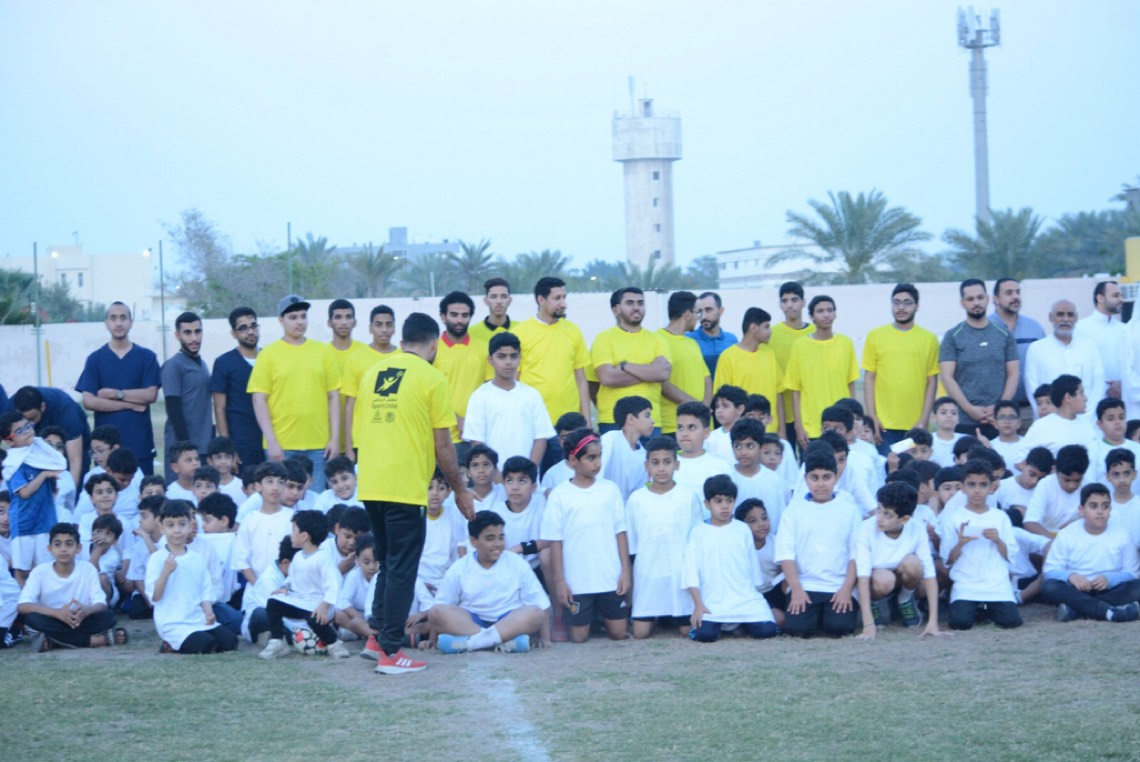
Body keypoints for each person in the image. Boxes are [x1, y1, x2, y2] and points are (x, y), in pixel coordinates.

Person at [348, 312, 474, 675]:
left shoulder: (373, 373)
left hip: (371, 483)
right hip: (404, 487)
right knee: (403, 568)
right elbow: (443, 444)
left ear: (402, 341)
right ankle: (391, 651)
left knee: (390, 563)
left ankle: (376, 640)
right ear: (434, 344)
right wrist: (460, 488)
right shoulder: (432, 378)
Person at [539, 428, 631, 643]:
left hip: (609, 579)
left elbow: (620, 533)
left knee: (618, 633)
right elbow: (556, 542)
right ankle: (587, 617)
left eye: (599, 456)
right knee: (579, 637)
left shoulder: (610, 490)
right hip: (577, 582)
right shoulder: (560, 495)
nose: (598, 463)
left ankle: (601, 615)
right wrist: (560, 581)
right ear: (573, 460)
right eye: (591, 458)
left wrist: (625, 572)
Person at [248, 294, 340, 490]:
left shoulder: (323, 352)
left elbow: (333, 396)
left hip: (318, 445)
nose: (300, 322)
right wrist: (271, 441)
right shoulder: (268, 355)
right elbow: (258, 399)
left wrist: (334, 438)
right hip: (282, 446)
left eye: (303, 316)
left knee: (314, 502)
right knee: (281, 500)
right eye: (293, 317)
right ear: (281, 320)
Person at [775, 442, 862, 637]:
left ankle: (828, 615)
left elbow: (855, 554)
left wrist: (847, 589)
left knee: (839, 628)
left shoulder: (850, 510)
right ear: (806, 479)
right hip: (806, 585)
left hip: (838, 585)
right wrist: (796, 589)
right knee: (798, 629)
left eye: (826, 477)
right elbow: (786, 554)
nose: (821, 484)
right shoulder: (793, 511)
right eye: (814, 478)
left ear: (835, 477)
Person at [682, 475, 779, 643]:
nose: (725, 506)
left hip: (745, 599)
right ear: (707, 504)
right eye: (718, 501)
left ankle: (742, 623)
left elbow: (753, 570)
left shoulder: (742, 530)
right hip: (712, 600)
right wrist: (698, 605)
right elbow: (690, 571)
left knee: (767, 630)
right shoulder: (698, 532)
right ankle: (725, 625)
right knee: (705, 635)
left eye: (729, 501)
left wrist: (756, 598)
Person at [626, 436, 703, 639]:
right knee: (640, 633)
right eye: (655, 462)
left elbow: (696, 540)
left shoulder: (688, 496)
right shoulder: (636, 499)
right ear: (647, 466)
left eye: (667, 462)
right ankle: (655, 615)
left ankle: (673, 615)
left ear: (676, 465)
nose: (661, 468)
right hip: (648, 576)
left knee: (687, 631)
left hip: (679, 575)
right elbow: (632, 545)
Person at [76, 302, 161, 474]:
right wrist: (130, 404)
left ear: (131, 322)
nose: (119, 323)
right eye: (113, 318)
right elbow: (89, 401)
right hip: (105, 448)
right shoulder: (95, 359)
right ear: (106, 323)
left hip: (139, 443)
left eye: (123, 317)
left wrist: (115, 393)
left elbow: (150, 395)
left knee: (143, 489)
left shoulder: (146, 357)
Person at [937, 459, 1021, 630]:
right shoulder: (954, 518)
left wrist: (998, 540)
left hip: (996, 582)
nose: (977, 491)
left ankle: (985, 609)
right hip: (966, 582)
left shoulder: (1000, 517)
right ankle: (978, 608)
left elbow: (1010, 555)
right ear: (963, 487)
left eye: (983, 485)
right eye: (971, 485)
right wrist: (960, 543)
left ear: (991, 487)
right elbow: (947, 560)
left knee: (1011, 621)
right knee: (959, 623)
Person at [146, 500, 239, 654]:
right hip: (173, 622)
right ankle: (170, 643)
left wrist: (208, 612)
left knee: (230, 641)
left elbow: (205, 589)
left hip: (196, 618)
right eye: (171, 525)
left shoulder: (196, 558)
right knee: (205, 644)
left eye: (182, 524)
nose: (177, 530)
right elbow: (154, 596)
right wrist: (165, 572)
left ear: (190, 525)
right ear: (162, 528)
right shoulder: (157, 559)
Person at [17, 522, 126, 651]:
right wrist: (57, 613)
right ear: (50, 549)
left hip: (80, 619)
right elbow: (22, 606)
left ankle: (55, 642)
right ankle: (93, 641)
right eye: (58, 544)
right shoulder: (40, 571)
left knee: (108, 616)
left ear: (78, 548)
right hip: (52, 618)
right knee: (32, 619)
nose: (63, 549)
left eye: (69, 544)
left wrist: (87, 610)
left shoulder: (88, 569)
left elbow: (101, 603)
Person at [258, 510, 351, 659]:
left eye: (294, 530)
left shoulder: (323, 558)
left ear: (304, 536)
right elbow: (291, 579)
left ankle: (334, 644)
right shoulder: (297, 556)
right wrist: (284, 588)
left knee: (315, 618)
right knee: (273, 602)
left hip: (318, 604)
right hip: (300, 601)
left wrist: (324, 605)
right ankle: (277, 641)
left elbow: (334, 584)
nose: (291, 535)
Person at [1040, 483, 1140, 622]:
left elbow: (1132, 573)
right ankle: (1108, 612)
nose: (1100, 511)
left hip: (1110, 589)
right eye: (1093, 506)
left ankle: (1076, 610)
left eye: (1105, 506)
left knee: (1137, 587)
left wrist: (1110, 579)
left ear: (1110, 509)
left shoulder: (1123, 534)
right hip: (1076, 589)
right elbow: (1050, 571)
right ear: (1081, 510)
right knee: (1049, 587)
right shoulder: (1067, 534)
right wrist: (1071, 576)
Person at [854, 482, 942, 639]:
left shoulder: (917, 528)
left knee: (914, 563)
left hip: (902, 577)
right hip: (877, 580)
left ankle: (905, 600)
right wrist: (868, 625)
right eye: (879, 509)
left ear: (904, 519)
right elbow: (862, 575)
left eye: (887, 514)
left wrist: (933, 622)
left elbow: (929, 574)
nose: (879, 518)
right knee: (884, 579)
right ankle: (873, 606)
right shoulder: (865, 529)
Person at [939, 279, 1019, 440]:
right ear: (962, 303)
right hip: (964, 421)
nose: (976, 302)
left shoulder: (1003, 333)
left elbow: (1014, 373)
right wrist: (969, 409)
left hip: (999, 422)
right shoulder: (953, 336)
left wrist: (999, 408)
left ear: (987, 299)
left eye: (980, 297)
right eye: (970, 299)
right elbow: (947, 377)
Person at [861, 284, 940, 447]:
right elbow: (869, 378)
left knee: (915, 464)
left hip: (915, 426)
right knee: (888, 463)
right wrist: (872, 416)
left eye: (907, 302)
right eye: (896, 302)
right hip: (884, 426)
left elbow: (932, 382)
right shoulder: (875, 336)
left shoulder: (929, 339)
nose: (901, 307)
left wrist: (924, 419)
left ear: (917, 306)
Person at [463, 332, 555, 467]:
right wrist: (496, 475)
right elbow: (477, 442)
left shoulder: (531, 395)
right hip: (492, 477)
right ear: (490, 360)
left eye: (513, 356)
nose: (508, 362)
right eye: (501, 356)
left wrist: (528, 473)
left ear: (520, 359)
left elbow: (541, 438)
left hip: (527, 477)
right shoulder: (479, 397)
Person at [590, 287, 671, 435]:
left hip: (651, 421)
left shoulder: (657, 340)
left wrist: (624, 366)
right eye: (629, 303)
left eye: (640, 303)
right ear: (616, 309)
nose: (636, 307)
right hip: (613, 421)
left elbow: (663, 373)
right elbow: (607, 377)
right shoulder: (603, 339)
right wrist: (649, 372)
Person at [784, 295, 859, 450]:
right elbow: (795, 390)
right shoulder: (800, 345)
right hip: (811, 427)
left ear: (835, 314)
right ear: (811, 316)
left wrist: (852, 421)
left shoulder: (845, 343)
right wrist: (799, 426)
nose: (826, 315)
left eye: (830, 310)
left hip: (841, 426)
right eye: (820, 311)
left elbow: (850, 384)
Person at [2, 410, 67, 586]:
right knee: (23, 570)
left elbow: (59, 465)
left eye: (28, 426)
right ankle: (25, 600)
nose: (27, 431)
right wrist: (44, 474)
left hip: (46, 521)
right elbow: (24, 493)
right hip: (24, 524)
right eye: (20, 430)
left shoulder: (40, 452)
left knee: (46, 568)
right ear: (10, 441)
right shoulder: (14, 463)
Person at [1024, 300, 1105, 421]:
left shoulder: (1090, 347)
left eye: (1070, 315)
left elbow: (1098, 386)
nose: (1066, 319)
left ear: (1076, 318)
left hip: (1087, 420)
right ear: (1050, 317)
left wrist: (1086, 417)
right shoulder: (1036, 349)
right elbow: (1032, 388)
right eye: (1060, 314)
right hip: (1050, 422)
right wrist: (1053, 417)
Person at [433, 291, 487, 461]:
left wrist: (472, 423)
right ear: (443, 317)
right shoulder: (432, 349)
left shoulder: (484, 349)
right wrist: (458, 420)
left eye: (465, 315)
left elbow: (490, 390)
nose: (459, 320)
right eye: (454, 315)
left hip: (477, 436)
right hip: (442, 437)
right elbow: (429, 395)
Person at [713, 307, 784, 434]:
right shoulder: (728, 357)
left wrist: (782, 430)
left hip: (769, 431)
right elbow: (723, 400)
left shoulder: (769, 354)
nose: (771, 331)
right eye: (766, 327)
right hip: (742, 433)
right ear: (753, 328)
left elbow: (778, 393)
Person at [161, 311, 213, 482]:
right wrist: (187, 449)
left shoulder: (202, 364)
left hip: (203, 445)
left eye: (197, 331)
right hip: (182, 449)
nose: (194, 338)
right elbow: (173, 408)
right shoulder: (173, 365)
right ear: (178, 335)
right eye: (187, 333)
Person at [231, 462, 294, 602]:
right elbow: (242, 562)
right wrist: (262, 586)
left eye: (280, 482)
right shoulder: (249, 520)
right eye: (270, 482)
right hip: (255, 590)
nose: (275, 487)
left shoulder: (292, 519)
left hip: (287, 589)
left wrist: (284, 587)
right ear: (258, 486)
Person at [342, 305, 401, 457]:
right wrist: (348, 446)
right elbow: (350, 405)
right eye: (378, 325)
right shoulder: (355, 359)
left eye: (388, 325)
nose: (384, 330)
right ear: (370, 328)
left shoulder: (403, 358)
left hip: (396, 439)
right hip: (364, 440)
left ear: (394, 328)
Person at [210, 306, 264, 469]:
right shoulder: (224, 363)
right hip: (241, 442)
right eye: (243, 328)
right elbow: (219, 408)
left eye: (253, 326)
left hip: (269, 439)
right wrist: (228, 449)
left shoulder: (269, 358)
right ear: (234, 333)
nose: (250, 332)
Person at [990, 277, 1046, 430]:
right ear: (995, 299)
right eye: (1009, 293)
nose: (1015, 297)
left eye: (1017, 292)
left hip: (1029, 410)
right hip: (995, 413)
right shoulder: (985, 328)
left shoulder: (1034, 328)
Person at [12, 385, 91, 487]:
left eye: (32, 419)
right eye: (24, 420)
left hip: (69, 449)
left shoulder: (67, 412)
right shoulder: (12, 404)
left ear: (42, 407)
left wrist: (71, 491)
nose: (28, 425)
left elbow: (75, 461)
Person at [659, 291, 712, 437]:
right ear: (688, 314)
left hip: (701, 424)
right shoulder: (658, 340)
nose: (699, 318)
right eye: (698, 312)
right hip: (674, 426)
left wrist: (704, 408)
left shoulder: (692, 343)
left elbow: (707, 378)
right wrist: (695, 406)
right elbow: (662, 384)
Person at [326, 299, 373, 455]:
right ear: (329, 322)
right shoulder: (322, 354)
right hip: (327, 439)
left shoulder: (366, 352)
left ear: (355, 322)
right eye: (338, 317)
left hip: (359, 439)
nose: (344, 322)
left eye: (348, 317)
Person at [770, 282, 814, 447]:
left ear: (803, 302)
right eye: (785, 301)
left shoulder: (814, 333)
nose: (789, 305)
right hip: (781, 412)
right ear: (780, 305)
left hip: (809, 412)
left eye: (794, 300)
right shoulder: (771, 334)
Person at [727, 418, 787, 532]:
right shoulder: (727, 479)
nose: (743, 452)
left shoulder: (774, 481)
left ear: (761, 447)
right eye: (738, 446)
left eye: (749, 446)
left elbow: (781, 519)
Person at [736, 499, 785, 627]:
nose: (761, 524)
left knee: (781, 619)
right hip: (749, 593)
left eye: (764, 518)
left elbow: (783, 571)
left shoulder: (776, 542)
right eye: (753, 521)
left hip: (772, 591)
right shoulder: (739, 546)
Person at [1023, 444, 1090, 540]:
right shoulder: (1046, 484)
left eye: (1077, 480)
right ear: (1056, 471)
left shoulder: (1088, 486)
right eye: (1067, 480)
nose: (1072, 485)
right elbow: (1030, 523)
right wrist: (1056, 543)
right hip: (1047, 538)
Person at [1074, 280, 1126, 402]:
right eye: (1116, 295)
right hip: (1092, 398)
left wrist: (1122, 384)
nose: (1121, 300)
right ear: (1100, 298)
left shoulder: (1125, 329)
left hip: (1123, 396)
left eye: (1121, 296)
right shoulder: (1081, 328)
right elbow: (1078, 365)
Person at [1021, 375, 1097, 457]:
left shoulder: (1086, 423)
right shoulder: (1040, 426)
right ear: (1068, 398)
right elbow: (1021, 459)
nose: (1086, 398)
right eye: (1081, 393)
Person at [673, 402, 731, 500]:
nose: (684, 433)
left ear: (706, 433)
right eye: (680, 428)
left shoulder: (720, 467)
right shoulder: (665, 466)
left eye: (691, 427)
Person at [599, 395, 654, 500]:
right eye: (647, 416)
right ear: (631, 419)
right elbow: (596, 475)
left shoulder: (644, 455)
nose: (652, 421)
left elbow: (639, 494)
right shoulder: (610, 439)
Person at [333, 532, 379, 642]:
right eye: (366, 562)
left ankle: (365, 634)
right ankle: (367, 634)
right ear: (357, 559)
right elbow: (344, 601)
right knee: (339, 615)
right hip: (358, 616)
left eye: (376, 562)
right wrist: (358, 616)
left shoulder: (383, 577)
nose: (372, 567)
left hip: (378, 619)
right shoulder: (354, 576)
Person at [686, 291, 738, 377]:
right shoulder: (688, 340)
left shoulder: (732, 340)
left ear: (721, 311)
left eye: (708, 310)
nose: (703, 316)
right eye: (700, 311)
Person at [1091, 398, 1140, 482]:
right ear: (1100, 424)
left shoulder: (1137, 448)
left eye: (1121, 417)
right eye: (1110, 419)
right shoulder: (1093, 451)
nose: (1118, 422)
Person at [468, 277, 514, 349]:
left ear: (510, 300)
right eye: (493, 297)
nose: (499, 301)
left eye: (504, 296)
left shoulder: (521, 329)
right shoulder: (471, 334)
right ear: (486, 300)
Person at [206, 436, 245, 504]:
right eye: (218, 457)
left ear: (233, 459)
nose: (223, 461)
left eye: (227, 457)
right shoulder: (205, 487)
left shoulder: (242, 485)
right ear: (210, 461)